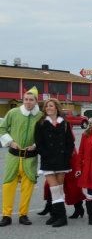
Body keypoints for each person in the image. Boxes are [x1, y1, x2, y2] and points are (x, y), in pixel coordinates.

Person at [0, 87, 42, 227]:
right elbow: (2, 128)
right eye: (26, 99)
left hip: (30, 158)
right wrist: (10, 142)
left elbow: (45, 136)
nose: (28, 102)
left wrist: (36, 145)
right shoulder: (13, 113)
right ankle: (6, 215)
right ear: (22, 100)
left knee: (27, 187)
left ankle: (23, 215)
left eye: (31, 100)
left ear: (36, 101)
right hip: (13, 156)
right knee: (8, 185)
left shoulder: (40, 116)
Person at [34, 98, 77, 227]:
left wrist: (67, 155)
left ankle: (56, 215)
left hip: (62, 161)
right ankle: (62, 216)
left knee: (58, 189)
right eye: (47, 106)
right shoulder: (40, 123)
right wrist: (45, 154)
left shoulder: (64, 123)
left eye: (51, 106)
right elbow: (38, 143)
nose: (48, 108)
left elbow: (70, 142)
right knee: (54, 188)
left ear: (56, 108)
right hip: (48, 161)